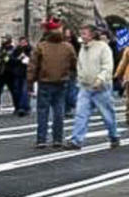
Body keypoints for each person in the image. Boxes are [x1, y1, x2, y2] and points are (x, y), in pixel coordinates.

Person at [66, 25, 120, 150]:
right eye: (81, 33)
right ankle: (76, 140)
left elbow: (107, 66)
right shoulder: (83, 48)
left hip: (101, 87)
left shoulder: (103, 48)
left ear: (92, 35)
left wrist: (100, 79)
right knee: (81, 113)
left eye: (84, 33)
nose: (82, 36)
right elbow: (80, 65)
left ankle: (114, 135)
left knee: (107, 114)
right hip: (85, 86)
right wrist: (80, 79)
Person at [28, 18, 77, 149]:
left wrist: (30, 82)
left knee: (43, 111)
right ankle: (57, 139)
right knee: (59, 110)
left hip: (44, 81)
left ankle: (41, 139)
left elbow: (33, 66)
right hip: (62, 81)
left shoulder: (41, 46)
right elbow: (74, 63)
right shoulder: (67, 46)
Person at [0, 34, 19, 117]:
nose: (3, 41)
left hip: (10, 73)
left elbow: (17, 61)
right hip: (0, 73)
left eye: (5, 40)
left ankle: (17, 108)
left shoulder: (14, 50)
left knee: (14, 91)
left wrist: (10, 59)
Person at [63, 27, 82, 117]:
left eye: (69, 37)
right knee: (65, 90)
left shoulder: (76, 45)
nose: (68, 39)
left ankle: (71, 104)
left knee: (71, 89)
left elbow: (79, 57)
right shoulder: (60, 45)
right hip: (62, 69)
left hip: (72, 69)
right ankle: (67, 109)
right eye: (66, 37)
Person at [11, 36, 33, 116]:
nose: (22, 44)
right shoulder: (16, 50)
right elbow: (12, 60)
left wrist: (27, 59)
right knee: (17, 91)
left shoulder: (30, 50)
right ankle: (18, 106)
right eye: (21, 42)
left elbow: (33, 60)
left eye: (24, 42)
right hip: (17, 73)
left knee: (25, 91)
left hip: (27, 73)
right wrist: (18, 58)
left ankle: (23, 107)